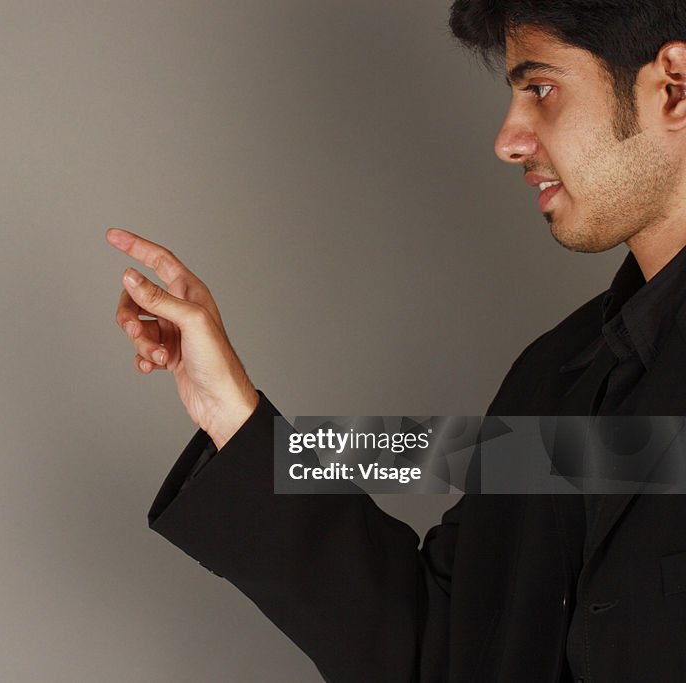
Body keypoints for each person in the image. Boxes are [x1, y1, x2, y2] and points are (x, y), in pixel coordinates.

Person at [108, 1, 686, 681]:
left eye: (540, 89)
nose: (508, 139)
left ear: (673, 88)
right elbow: (438, 641)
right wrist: (232, 415)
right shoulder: (550, 377)